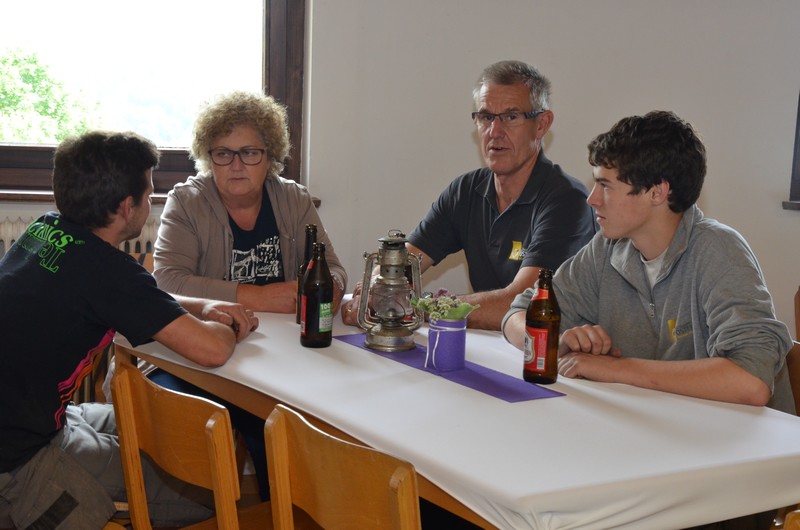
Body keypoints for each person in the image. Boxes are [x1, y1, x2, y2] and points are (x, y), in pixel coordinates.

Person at [0, 130, 259, 528]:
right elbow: (213, 350)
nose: (152, 200)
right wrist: (231, 325)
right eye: (149, 192)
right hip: (18, 459)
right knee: (209, 490)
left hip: (31, 418)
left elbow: (138, 298)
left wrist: (204, 305)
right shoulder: (105, 272)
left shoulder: (46, 229)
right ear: (126, 206)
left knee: (162, 437)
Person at [503, 110, 794, 414]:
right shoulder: (606, 248)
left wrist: (617, 369)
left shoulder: (719, 250)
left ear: (657, 192)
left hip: (744, 437)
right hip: (658, 424)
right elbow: (517, 314)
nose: (592, 199)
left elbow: (751, 381)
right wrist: (555, 341)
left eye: (606, 185)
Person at [342, 60, 595, 331]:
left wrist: (418, 307)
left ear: (542, 124)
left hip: (556, 350)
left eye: (511, 117)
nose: (495, 132)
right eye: (486, 117)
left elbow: (522, 304)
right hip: (489, 344)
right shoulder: (465, 190)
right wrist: (374, 288)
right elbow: (404, 264)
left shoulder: (568, 200)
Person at [152, 90, 347, 313]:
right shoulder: (186, 202)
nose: (236, 166)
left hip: (286, 330)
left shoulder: (295, 200)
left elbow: (333, 269)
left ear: (270, 157)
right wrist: (258, 297)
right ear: (209, 158)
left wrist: (333, 287)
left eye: (250, 153)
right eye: (223, 154)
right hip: (218, 329)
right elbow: (167, 283)